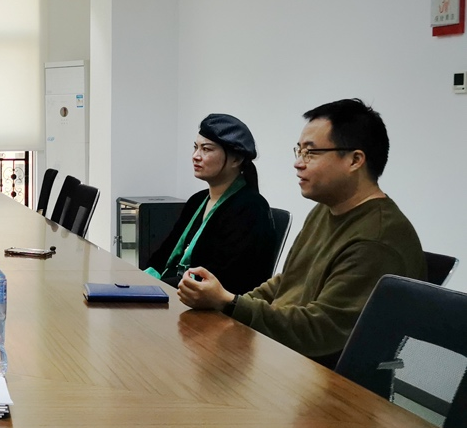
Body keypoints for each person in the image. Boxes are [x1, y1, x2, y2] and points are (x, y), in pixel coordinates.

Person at [178, 99, 425, 366]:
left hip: (323, 375)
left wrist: (231, 303)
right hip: (285, 355)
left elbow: (318, 333)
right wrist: (231, 303)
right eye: (299, 151)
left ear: (355, 160)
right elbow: (286, 282)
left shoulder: (375, 240)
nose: (298, 163)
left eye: (311, 153)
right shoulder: (325, 210)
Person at [146, 113, 277, 294]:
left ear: (236, 159)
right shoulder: (197, 200)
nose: (195, 156)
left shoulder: (251, 209)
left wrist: (158, 289)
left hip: (209, 304)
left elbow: (223, 278)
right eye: (195, 148)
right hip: (178, 293)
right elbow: (163, 255)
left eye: (206, 149)